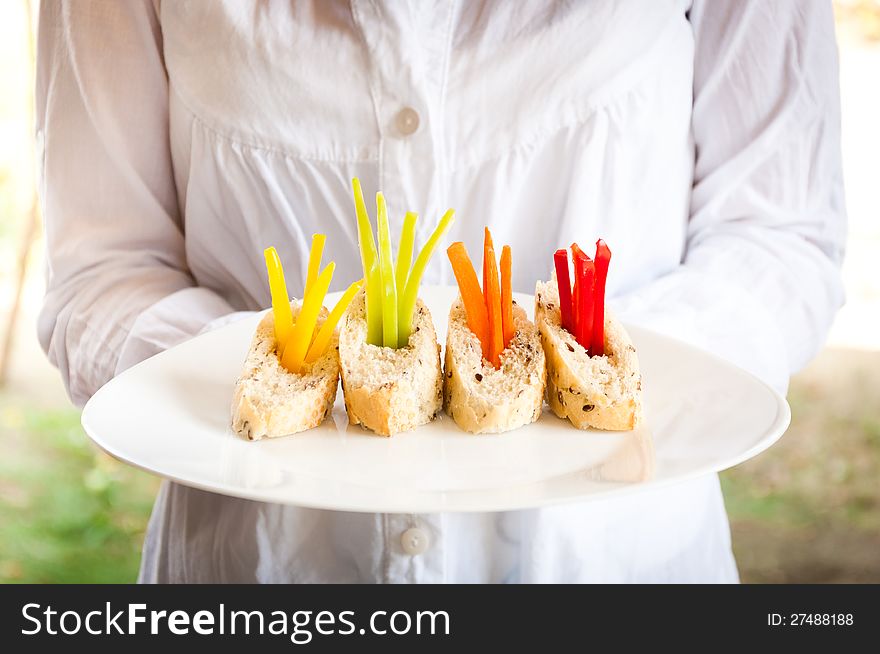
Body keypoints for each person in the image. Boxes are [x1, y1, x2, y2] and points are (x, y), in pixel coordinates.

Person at [36, 1, 845, 583]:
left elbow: (778, 235)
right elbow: (100, 271)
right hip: (253, 574)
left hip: (620, 563)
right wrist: (277, 383)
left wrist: (601, 387)